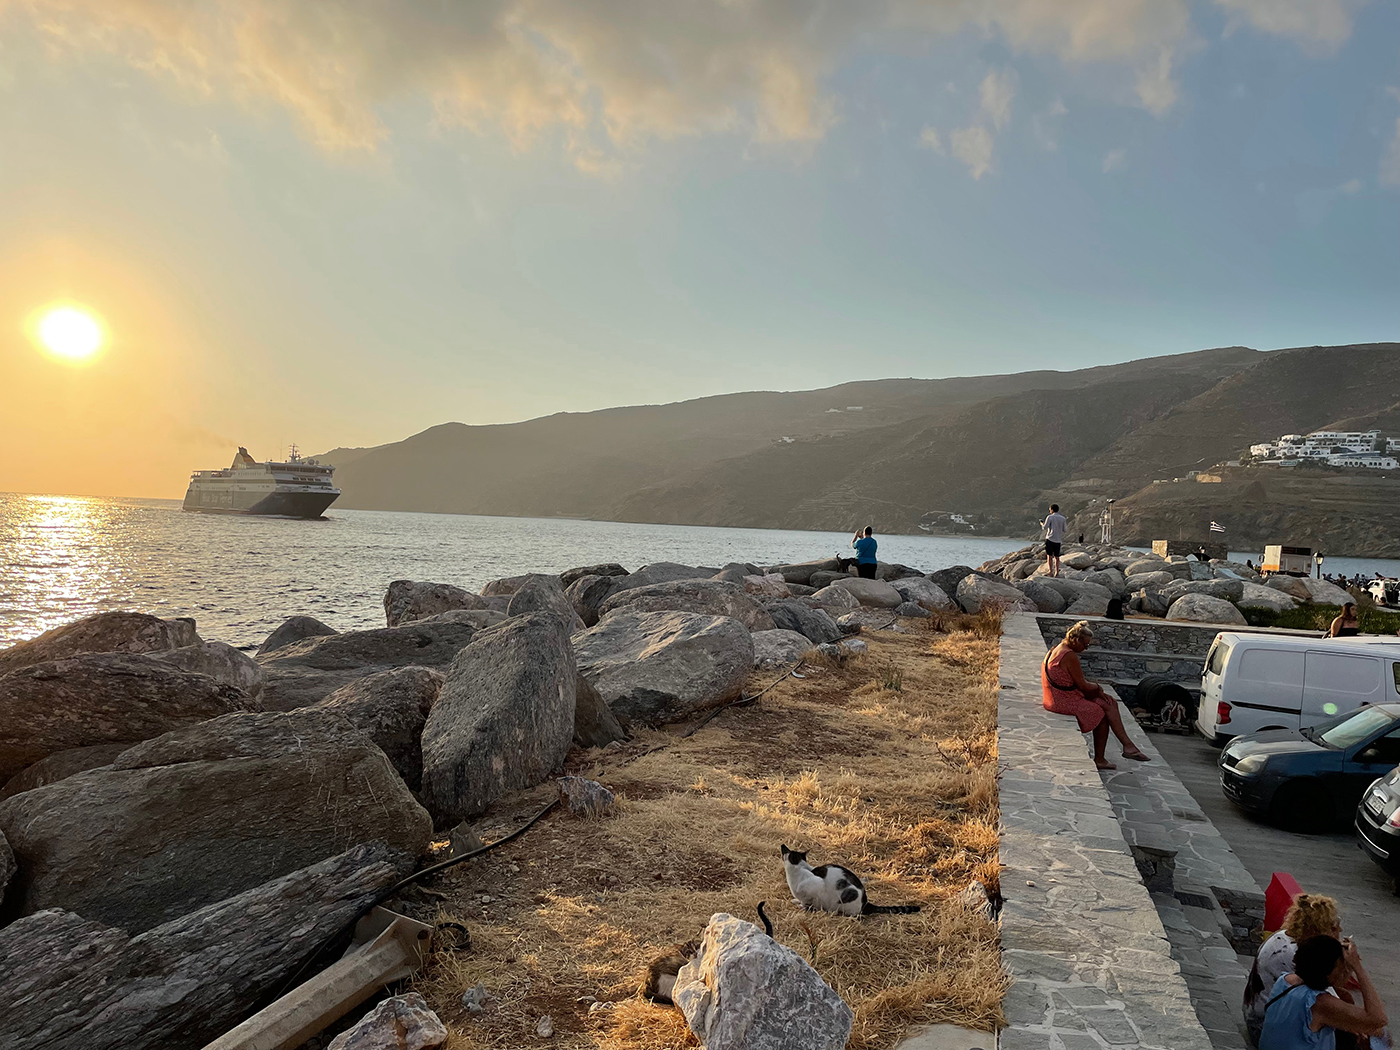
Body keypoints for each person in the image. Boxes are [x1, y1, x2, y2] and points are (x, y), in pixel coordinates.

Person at [1041, 621, 1150, 770]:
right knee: (1101, 714)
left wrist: (1098, 693)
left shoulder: (1057, 648)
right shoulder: (1069, 655)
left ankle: (1128, 746)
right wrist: (1098, 688)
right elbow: (1083, 685)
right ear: (1075, 640)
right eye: (1085, 645)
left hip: (1056, 696)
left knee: (1109, 702)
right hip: (1061, 700)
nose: (1085, 649)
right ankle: (1102, 758)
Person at [1244, 894, 1342, 1046]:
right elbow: (1330, 997)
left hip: (1260, 1014)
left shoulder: (1283, 937)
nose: (1339, 930)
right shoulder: (1293, 953)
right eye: (1333, 927)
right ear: (1318, 928)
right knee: (1342, 1028)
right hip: (1262, 1025)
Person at [1259, 936, 1388, 1049]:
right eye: (1341, 967)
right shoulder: (1319, 1003)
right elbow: (1378, 1019)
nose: (1343, 972)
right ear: (1327, 971)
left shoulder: (1285, 980)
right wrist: (1357, 967)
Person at [1041, 504, 1068, 578]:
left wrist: (1042, 524)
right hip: (1058, 539)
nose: (1049, 511)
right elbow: (1065, 530)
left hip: (1050, 538)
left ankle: (1050, 572)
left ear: (1052, 510)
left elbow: (1045, 527)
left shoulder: (1050, 517)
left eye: (1050, 509)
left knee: (1049, 556)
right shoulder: (1063, 518)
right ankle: (1057, 572)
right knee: (1057, 557)